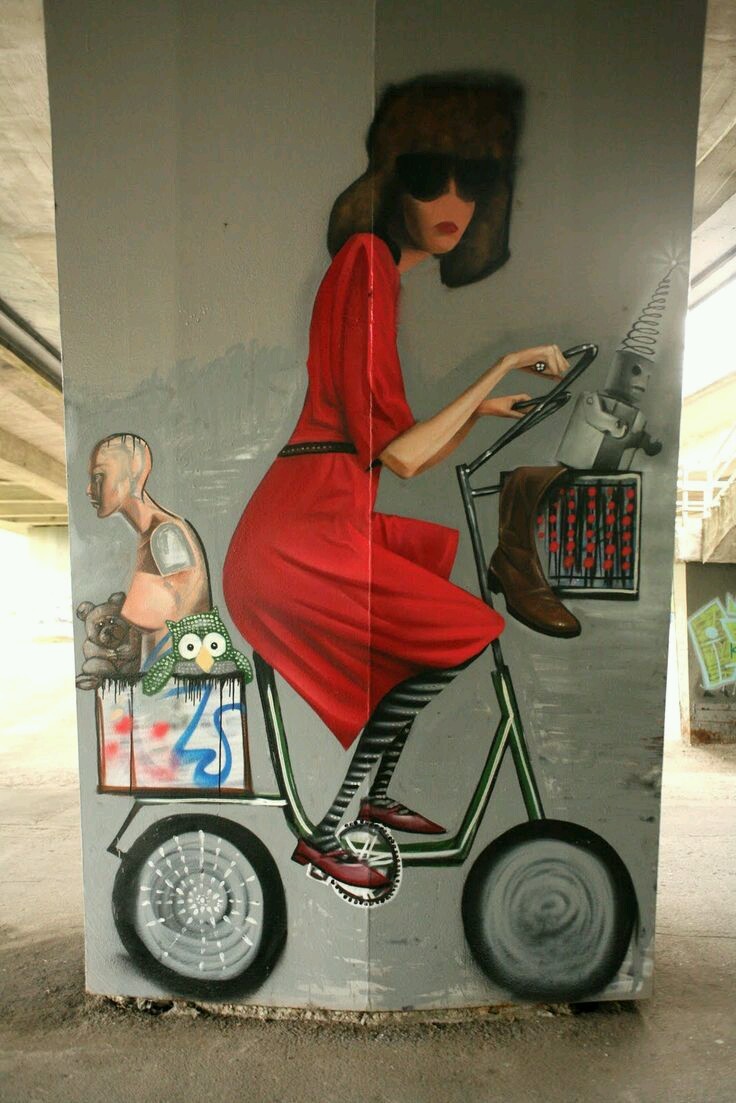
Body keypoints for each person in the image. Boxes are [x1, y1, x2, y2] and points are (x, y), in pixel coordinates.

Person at [223, 77, 568, 889]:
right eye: (427, 175)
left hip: (323, 519)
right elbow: (404, 457)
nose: (452, 200)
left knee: (428, 615)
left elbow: (398, 444)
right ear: (389, 182)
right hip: (301, 536)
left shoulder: (378, 273)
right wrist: (501, 366)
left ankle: (370, 798)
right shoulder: (368, 264)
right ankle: (334, 829)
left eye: (472, 180)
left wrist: (483, 408)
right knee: (466, 627)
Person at [87, 433, 212, 660]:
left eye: (99, 476)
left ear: (132, 472)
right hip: (163, 666)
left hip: (176, 670)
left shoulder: (165, 535)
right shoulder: (154, 533)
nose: (89, 489)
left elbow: (149, 612)